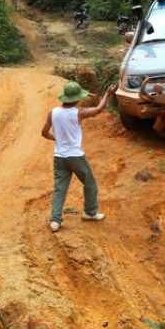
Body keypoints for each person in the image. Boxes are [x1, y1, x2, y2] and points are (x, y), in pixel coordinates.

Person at [41, 81, 118, 232]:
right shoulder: (78, 113)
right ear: (77, 99)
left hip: (59, 157)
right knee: (90, 183)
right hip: (75, 156)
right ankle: (90, 213)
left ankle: (55, 221)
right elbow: (98, 109)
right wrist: (107, 94)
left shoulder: (53, 112)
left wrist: (55, 138)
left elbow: (43, 133)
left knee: (59, 189)